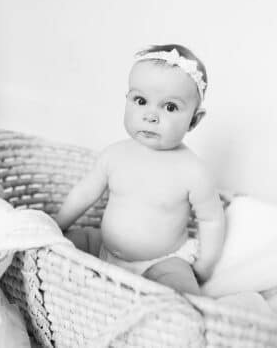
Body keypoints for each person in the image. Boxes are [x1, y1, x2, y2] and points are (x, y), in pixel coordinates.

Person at [56, 44, 225, 295]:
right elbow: (84, 193)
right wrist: (57, 226)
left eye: (169, 107)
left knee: (180, 293)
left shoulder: (193, 172)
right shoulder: (115, 155)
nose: (150, 116)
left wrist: (204, 266)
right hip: (104, 248)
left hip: (161, 261)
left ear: (194, 120)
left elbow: (211, 220)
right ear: (127, 100)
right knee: (59, 247)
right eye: (141, 101)